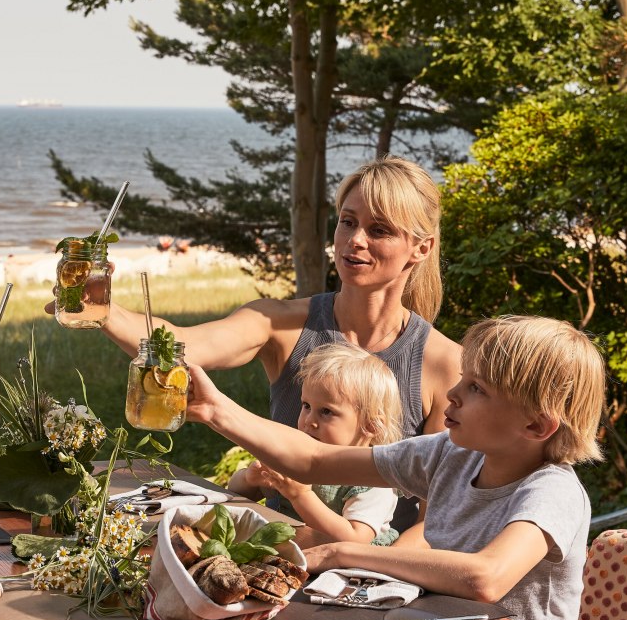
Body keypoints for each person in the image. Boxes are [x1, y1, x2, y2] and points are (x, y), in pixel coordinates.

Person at [187, 315, 604, 620]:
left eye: (477, 388)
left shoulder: (553, 491)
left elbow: (485, 578)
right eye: (463, 378)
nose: (453, 394)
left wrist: (342, 552)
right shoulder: (450, 454)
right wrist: (214, 409)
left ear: (535, 424)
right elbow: (313, 460)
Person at [78, 155, 461, 536]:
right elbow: (184, 347)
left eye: (378, 230)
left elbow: (435, 522)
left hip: (371, 578)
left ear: (421, 248)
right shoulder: (281, 324)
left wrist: (364, 577)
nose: (355, 240)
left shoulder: (444, 365)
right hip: (275, 551)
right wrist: (101, 307)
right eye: (347, 222)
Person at [227, 342, 402, 547]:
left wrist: (301, 495)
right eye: (306, 406)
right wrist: (250, 480)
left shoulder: (373, 478)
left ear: (370, 426)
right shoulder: (296, 456)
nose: (309, 420)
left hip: (350, 572)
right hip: (291, 553)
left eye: (326, 411)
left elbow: (355, 540)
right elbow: (238, 496)